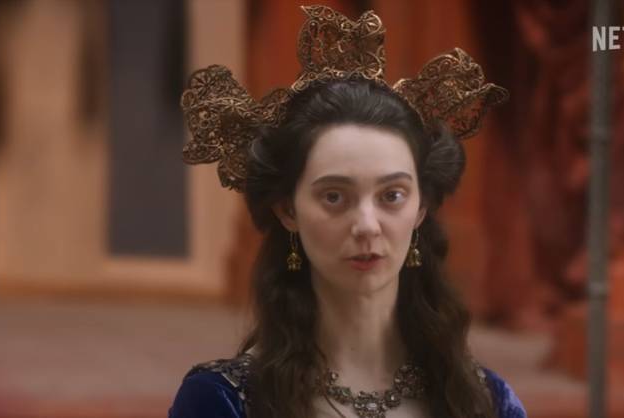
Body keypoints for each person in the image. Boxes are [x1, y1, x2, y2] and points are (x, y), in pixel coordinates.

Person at [169, 5, 525, 418]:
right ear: (288, 210)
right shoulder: (224, 401)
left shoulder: (485, 400)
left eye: (392, 195)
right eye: (335, 197)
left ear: (421, 208)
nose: (367, 225)